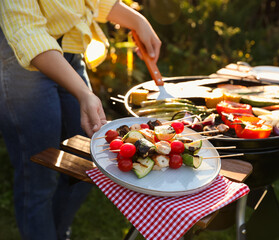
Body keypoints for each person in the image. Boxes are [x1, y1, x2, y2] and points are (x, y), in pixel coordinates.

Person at [0, 0, 161, 239]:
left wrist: (138, 20)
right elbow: (27, 31)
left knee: (87, 165)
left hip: (71, 55)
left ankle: (54, 232)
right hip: (23, 60)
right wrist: (84, 93)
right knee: (38, 178)